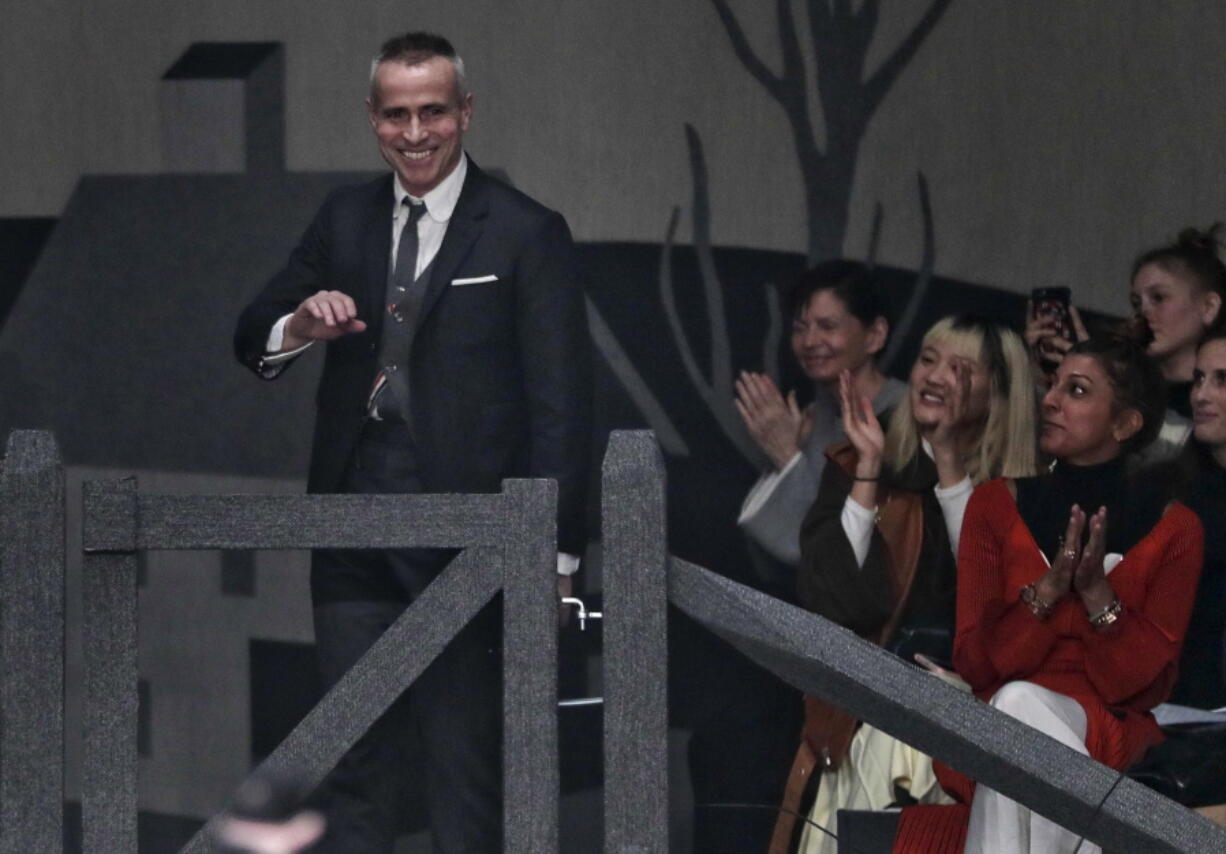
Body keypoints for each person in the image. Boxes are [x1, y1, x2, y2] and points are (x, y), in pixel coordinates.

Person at [233, 32, 591, 854]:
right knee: (354, 764)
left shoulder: (526, 231)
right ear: (372, 120)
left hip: (474, 540)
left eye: (433, 110)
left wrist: (557, 559)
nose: (416, 132)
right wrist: (301, 321)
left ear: (465, 112)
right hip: (352, 526)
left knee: (463, 770)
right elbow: (253, 334)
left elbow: (564, 405)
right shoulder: (345, 217)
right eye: (397, 115)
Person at [894, 335, 1204, 853]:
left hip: (1107, 732)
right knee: (1014, 706)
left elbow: (1142, 686)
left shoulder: (1176, 528)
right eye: (1054, 384)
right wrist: (1047, 591)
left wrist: (1096, 595)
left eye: (1076, 390)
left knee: (1017, 708)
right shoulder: (994, 504)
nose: (1050, 399)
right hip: (1000, 722)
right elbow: (974, 662)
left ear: (1124, 423)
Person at [776, 316, 1037, 854]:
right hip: (869, 721)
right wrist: (869, 470)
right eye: (928, 359)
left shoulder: (1028, 490)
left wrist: (949, 466)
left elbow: (994, 607)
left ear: (999, 391)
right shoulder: (858, 463)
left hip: (978, 729)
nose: (936, 377)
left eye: (960, 369)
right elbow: (839, 603)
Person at [735, 260, 906, 576]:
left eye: (828, 326)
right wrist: (787, 454)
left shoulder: (908, 417)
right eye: (801, 328)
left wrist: (788, 457)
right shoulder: (813, 418)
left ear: (875, 335)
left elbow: (856, 552)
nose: (810, 341)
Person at [1026, 225, 1226, 461]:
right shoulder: (1135, 383)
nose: (1143, 314)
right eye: (1136, 304)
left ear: (1208, 307)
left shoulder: (1208, 399)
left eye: (1159, 298)